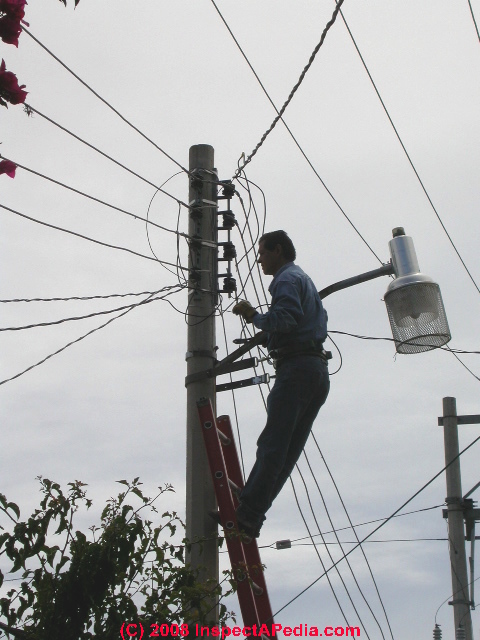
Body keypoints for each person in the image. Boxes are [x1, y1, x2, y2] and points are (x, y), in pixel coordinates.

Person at [231, 230, 330, 538]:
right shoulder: (305, 281)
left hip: (297, 370)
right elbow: (301, 323)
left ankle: (247, 514)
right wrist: (269, 334)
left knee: (273, 447)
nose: (259, 258)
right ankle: (251, 518)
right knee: (286, 452)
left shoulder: (286, 280)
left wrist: (254, 317)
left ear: (277, 250)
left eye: (262, 252)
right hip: (315, 371)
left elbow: (285, 319)